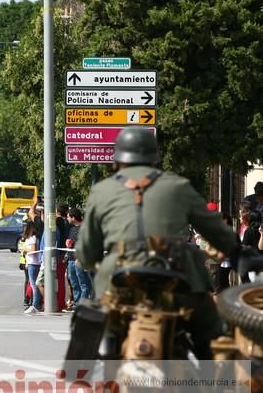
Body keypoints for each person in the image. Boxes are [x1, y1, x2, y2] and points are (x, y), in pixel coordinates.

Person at [76, 127, 239, 359]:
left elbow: (86, 252)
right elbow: (218, 233)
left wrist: (95, 261)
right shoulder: (177, 186)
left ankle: (82, 374)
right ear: (155, 158)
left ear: (118, 160)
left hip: (118, 283)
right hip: (178, 278)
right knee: (210, 332)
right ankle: (216, 388)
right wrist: (237, 251)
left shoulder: (102, 190)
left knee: (90, 320)